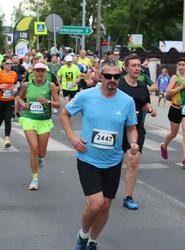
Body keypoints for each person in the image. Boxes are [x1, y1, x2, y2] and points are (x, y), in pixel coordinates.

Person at [60, 59, 138, 250]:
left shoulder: (127, 101)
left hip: (113, 161)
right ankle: (83, 235)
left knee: (105, 206)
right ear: (100, 76)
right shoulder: (86, 96)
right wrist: (72, 138)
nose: (112, 80)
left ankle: (93, 242)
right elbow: (64, 114)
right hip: (88, 158)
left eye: (116, 76)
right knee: (95, 204)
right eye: (108, 76)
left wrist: (134, 142)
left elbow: (132, 128)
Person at [118, 54, 157, 210]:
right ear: (126, 68)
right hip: (118, 128)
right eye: (133, 65)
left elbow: (144, 103)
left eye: (138, 65)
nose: (137, 68)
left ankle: (128, 196)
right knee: (115, 162)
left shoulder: (142, 86)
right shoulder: (119, 84)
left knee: (133, 160)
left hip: (136, 128)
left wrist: (150, 109)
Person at [17, 63, 60, 190]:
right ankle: (35, 178)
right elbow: (19, 98)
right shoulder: (27, 85)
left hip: (44, 121)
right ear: (33, 72)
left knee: (41, 152)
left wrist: (48, 102)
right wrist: (22, 105)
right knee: (33, 148)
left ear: (45, 73)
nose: (40, 73)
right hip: (29, 119)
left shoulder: (50, 85)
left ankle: (40, 158)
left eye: (42, 70)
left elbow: (58, 104)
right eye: (37, 70)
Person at [160, 57, 185, 168]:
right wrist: (180, 87)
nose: (181, 67)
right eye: (179, 65)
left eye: (183, 65)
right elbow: (168, 93)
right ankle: (164, 146)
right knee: (173, 134)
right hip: (175, 109)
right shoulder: (175, 78)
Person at [0, 57, 18, 148]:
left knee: (7, 118)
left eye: (11, 64)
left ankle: (7, 138)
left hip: (10, 99)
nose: (9, 65)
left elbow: (16, 83)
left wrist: (15, 88)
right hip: (0, 100)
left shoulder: (14, 73)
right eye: (7, 63)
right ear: (3, 64)